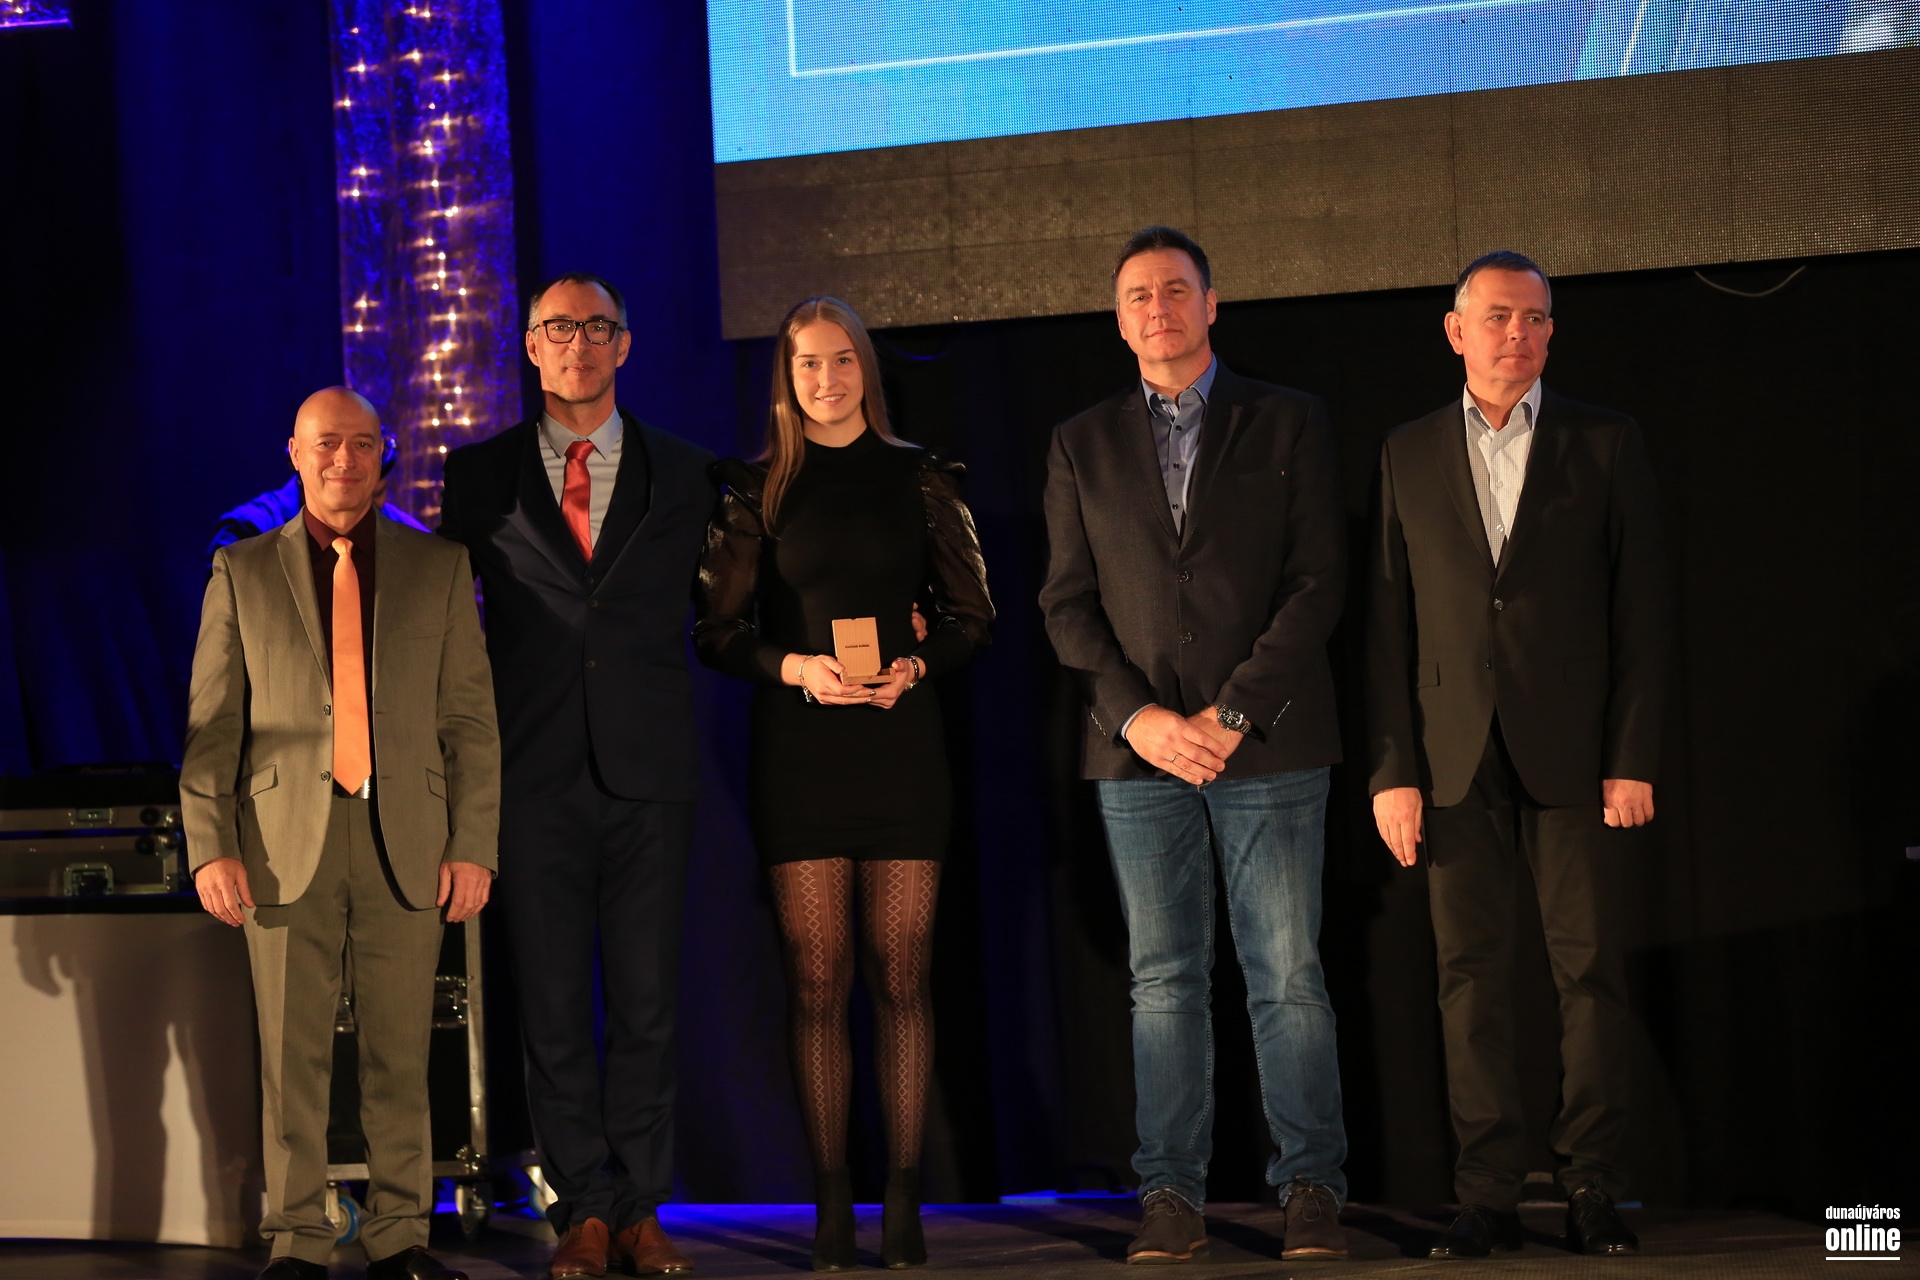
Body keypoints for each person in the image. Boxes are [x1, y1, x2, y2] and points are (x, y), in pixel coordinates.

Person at [1039, 227, 1350, 1263]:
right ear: (1118, 318)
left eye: (1176, 289)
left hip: (1268, 743)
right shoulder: (1080, 441)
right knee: (1164, 981)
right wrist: (1140, 717)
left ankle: (1311, 1187)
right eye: (1139, 294)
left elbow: (1318, 581)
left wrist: (1230, 713)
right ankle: (1170, 1194)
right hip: (1138, 754)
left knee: (1287, 974)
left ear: (1211, 304)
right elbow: (1065, 604)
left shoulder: (1287, 418)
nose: (1158, 307)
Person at [1365, 251, 1671, 1259]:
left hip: (1578, 754)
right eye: (1498, 316)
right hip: (1451, 754)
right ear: (1457, 330)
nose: (1518, 334)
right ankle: (1487, 1191)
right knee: (1468, 977)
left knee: (1589, 975)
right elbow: (1387, 624)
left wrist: (1632, 754)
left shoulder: (1604, 440)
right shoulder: (1407, 450)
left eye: (1535, 318)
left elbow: (1642, 611)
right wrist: (1393, 770)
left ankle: (1592, 1184)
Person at [693, 296, 993, 1271]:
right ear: (785, 378)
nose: (825, 379)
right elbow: (716, 630)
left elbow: (972, 617)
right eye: (807, 364)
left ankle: (902, 1201)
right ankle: (831, 1206)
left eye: (841, 360)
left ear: (866, 367)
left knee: (902, 975)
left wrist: (916, 667)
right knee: (818, 980)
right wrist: (796, 669)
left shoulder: (922, 475)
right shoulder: (755, 488)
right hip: (801, 754)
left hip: (902, 749)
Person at [182, 387, 499, 1280]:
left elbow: (470, 720)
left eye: (361, 444)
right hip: (281, 842)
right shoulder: (242, 570)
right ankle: (297, 1238)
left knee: (402, 1052)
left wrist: (473, 842)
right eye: (326, 444)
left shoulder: (439, 566)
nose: (343, 461)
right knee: (293, 1058)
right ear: (294, 452)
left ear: (381, 454)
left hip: (410, 838)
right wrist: (210, 844)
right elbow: (213, 724)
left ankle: (401, 1236)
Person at [437, 273, 713, 1280]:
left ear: (624, 345)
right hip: (531, 771)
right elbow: (438, 620)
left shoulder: (688, 470)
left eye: (598, 327)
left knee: (646, 1003)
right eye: (559, 328)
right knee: (552, 1008)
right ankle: (582, 1211)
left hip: (650, 770)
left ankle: (640, 1207)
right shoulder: (479, 475)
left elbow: (732, 608)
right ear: (531, 346)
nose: (579, 344)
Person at [209, 428, 428, 563]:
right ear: (299, 461)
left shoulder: (413, 538)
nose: (360, 507)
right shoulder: (246, 532)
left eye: (375, 494)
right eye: (343, 489)